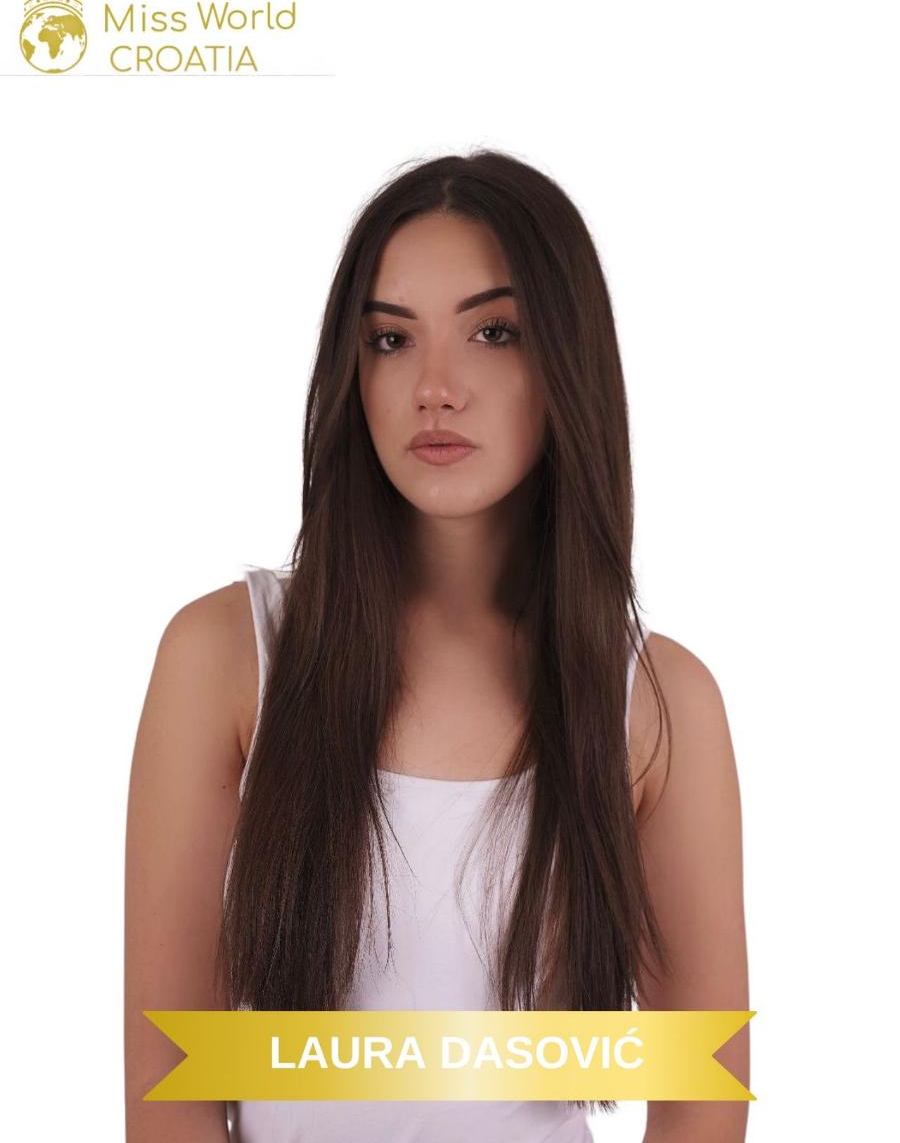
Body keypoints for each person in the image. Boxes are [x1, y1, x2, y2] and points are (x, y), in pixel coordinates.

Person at [124, 149, 749, 1142]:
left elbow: (701, 1095)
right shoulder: (227, 659)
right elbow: (167, 1090)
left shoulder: (655, 702)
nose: (436, 388)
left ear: (566, 362)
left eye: (494, 332)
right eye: (391, 340)